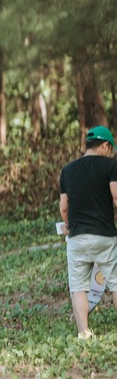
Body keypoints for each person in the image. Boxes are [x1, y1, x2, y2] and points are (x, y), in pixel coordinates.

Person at [58, 125, 117, 340]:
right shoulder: (111, 166)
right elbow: (116, 196)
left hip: (77, 238)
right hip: (104, 235)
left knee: (78, 287)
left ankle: (84, 333)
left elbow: (64, 207)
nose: (111, 154)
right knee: (116, 282)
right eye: (111, 149)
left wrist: (68, 225)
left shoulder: (68, 170)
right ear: (104, 145)